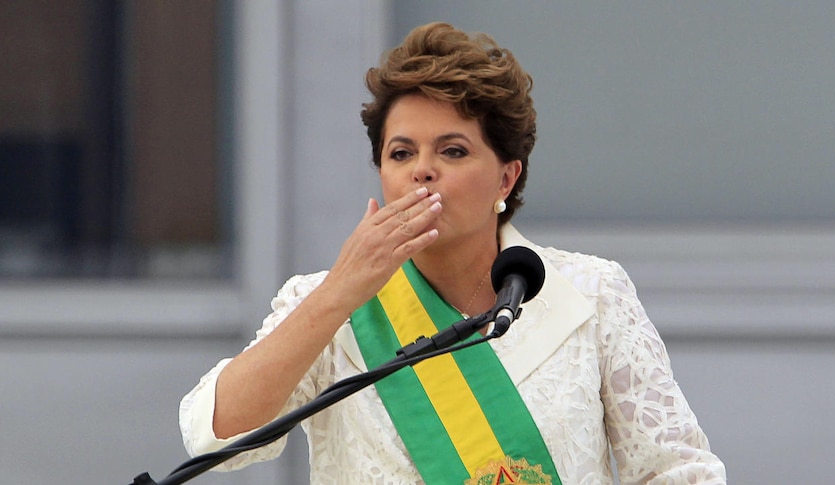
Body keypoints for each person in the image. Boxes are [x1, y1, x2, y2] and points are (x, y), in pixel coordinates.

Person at [179, 22, 727, 484]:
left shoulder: (590, 293)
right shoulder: (325, 304)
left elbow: (677, 470)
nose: (422, 169)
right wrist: (341, 291)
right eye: (401, 152)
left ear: (506, 178)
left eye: (453, 150)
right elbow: (217, 436)